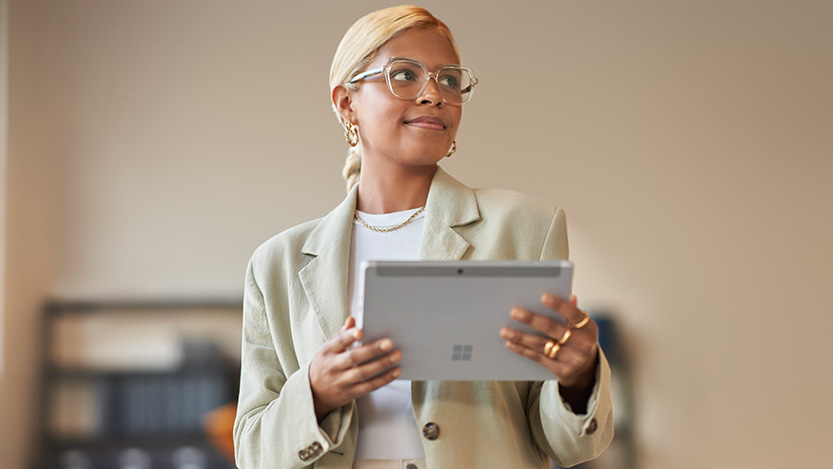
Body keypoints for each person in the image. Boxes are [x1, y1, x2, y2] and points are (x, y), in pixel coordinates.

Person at [233, 5, 613, 469]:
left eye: (450, 80)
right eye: (405, 75)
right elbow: (251, 453)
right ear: (346, 102)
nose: (435, 95)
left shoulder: (525, 226)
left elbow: (569, 445)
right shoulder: (279, 263)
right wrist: (315, 391)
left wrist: (578, 377)